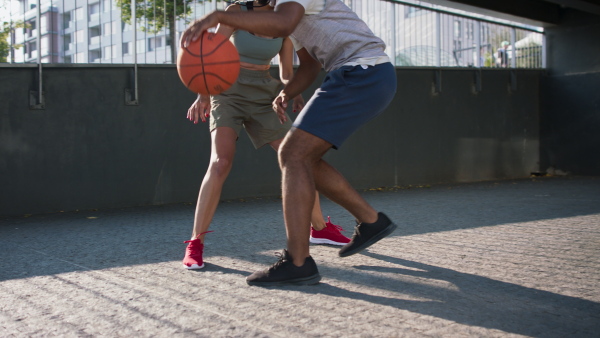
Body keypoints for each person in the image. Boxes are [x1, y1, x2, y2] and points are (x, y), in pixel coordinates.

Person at [181, 0, 397, 286]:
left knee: (294, 155)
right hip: (359, 75)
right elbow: (309, 63)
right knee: (294, 156)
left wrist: (218, 15)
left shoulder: (286, 11)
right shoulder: (281, 12)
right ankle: (367, 222)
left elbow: (283, 30)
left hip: (358, 72)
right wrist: (288, 92)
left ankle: (302, 256)